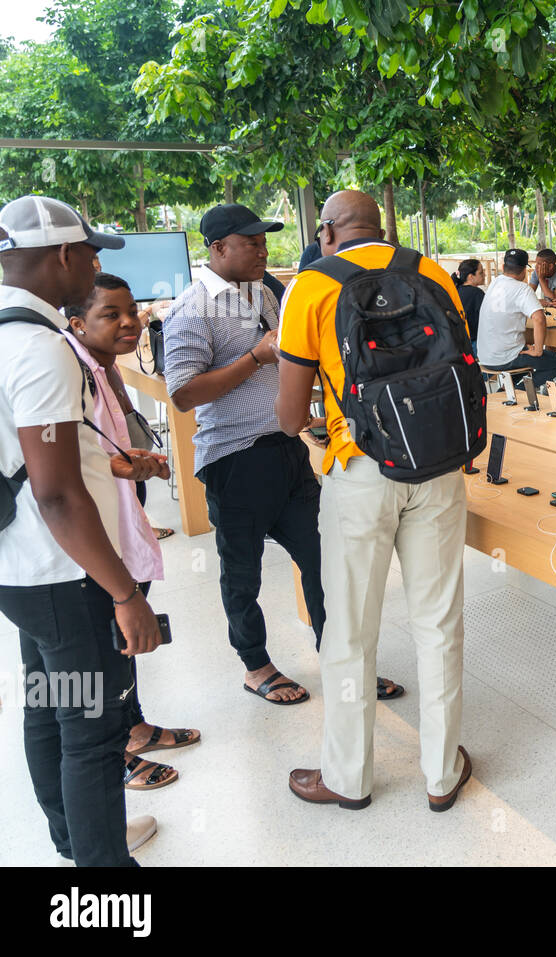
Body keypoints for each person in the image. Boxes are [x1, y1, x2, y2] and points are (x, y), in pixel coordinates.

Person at [276, 190, 473, 813]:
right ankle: (442, 776)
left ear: (327, 231)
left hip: (360, 471)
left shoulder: (309, 288)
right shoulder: (431, 270)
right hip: (439, 466)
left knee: (351, 628)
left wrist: (321, 418)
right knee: (438, 622)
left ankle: (348, 778)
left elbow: (286, 416)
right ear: (382, 227)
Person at [0, 195, 163, 865]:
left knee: (47, 705)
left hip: (21, 570)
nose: (95, 264)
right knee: (94, 734)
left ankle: (73, 838)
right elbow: (59, 493)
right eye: (92, 252)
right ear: (64, 255)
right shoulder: (40, 350)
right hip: (67, 574)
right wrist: (125, 594)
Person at [166, 203, 378, 705]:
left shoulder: (267, 292)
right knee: (242, 572)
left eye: (264, 242)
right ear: (217, 249)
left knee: (323, 560)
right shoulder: (192, 309)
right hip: (234, 459)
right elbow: (183, 393)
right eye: (250, 243)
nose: (263, 251)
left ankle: (341, 659)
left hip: (287, 447)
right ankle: (255, 665)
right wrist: (254, 357)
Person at [64, 274, 201, 793]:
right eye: (111, 314)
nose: (130, 322)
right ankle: (118, 753)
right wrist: (116, 468)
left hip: (119, 519)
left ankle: (135, 729)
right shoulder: (67, 367)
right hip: (90, 539)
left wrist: (126, 464)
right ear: (77, 322)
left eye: (133, 311)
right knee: (103, 645)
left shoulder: (99, 367)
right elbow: (60, 466)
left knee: (119, 643)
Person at [478, 248, 556, 387]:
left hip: (485, 357)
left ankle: (508, 393)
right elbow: (539, 319)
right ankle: (518, 393)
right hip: (506, 358)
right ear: (524, 270)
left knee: (527, 359)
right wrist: (538, 350)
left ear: (503, 267)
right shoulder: (522, 289)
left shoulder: (495, 283)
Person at [451, 259, 485, 351]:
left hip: (460, 342)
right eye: (481, 273)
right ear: (471, 277)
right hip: (475, 342)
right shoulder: (477, 293)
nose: (484, 275)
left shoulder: (456, 290)